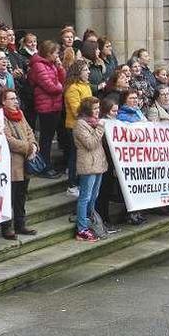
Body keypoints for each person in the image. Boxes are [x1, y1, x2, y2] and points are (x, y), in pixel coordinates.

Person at [0, 88, 38, 240]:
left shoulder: (20, 114)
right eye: (12, 99)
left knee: (21, 195)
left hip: (25, 161)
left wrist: (33, 144)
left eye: (16, 98)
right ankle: (7, 227)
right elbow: (8, 140)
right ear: (3, 101)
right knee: (10, 196)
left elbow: (29, 131)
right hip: (12, 163)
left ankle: (20, 223)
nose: (16, 101)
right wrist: (28, 147)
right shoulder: (1, 117)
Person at [28, 40, 66, 179]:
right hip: (46, 107)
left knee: (50, 137)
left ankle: (48, 164)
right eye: (56, 53)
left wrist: (60, 68)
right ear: (48, 53)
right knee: (46, 139)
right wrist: (60, 88)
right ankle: (44, 166)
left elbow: (62, 80)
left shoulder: (51, 65)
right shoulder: (38, 66)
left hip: (54, 105)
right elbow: (50, 87)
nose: (57, 56)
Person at [73, 97, 106, 243]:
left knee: (94, 195)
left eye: (99, 108)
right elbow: (91, 143)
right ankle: (81, 228)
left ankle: (89, 221)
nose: (98, 111)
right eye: (95, 108)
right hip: (88, 164)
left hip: (98, 163)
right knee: (85, 196)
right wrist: (100, 128)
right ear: (87, 110)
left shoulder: (95, 123)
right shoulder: (80, 124)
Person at [116, 90, 148, 226]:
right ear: (125, 100)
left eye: (136, 98)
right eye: (132, 98)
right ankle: (130, 214)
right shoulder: (122, 115)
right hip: (130, 156)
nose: (135, 100)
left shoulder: (138, 112)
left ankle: (137, 212)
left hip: (142, 154)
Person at [63, 60, 92, 197]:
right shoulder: (73, 88)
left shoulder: (86, 86)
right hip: (75, 126)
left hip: (87, 125)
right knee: (75, 156)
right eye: (86, 70)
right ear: (78, 72)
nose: (88, 72)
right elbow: (76, 110)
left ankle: (79, 182)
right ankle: (72, 184)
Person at [95, 98, 123, 226]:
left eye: (117, 110)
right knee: (103, 192)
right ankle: (102, 217)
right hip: (105, 162)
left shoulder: (115, 122)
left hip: (112, 162)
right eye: (113, 111)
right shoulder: (103, 123)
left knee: (106, 191)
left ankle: (105, 218)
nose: (115, 113)